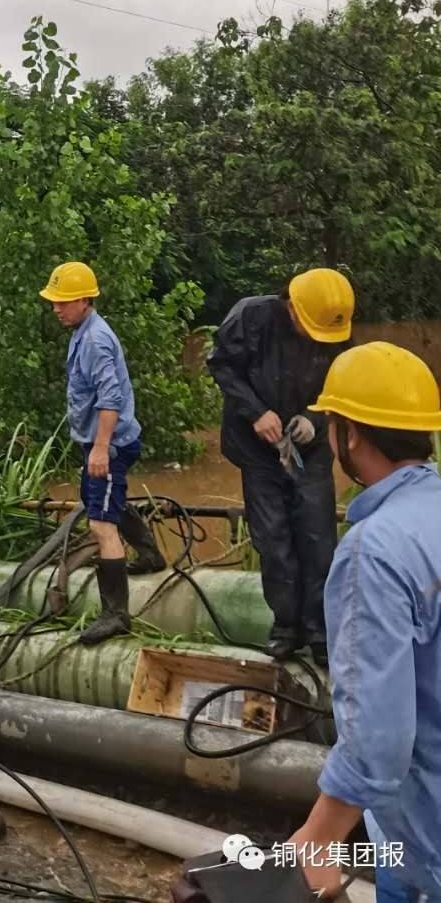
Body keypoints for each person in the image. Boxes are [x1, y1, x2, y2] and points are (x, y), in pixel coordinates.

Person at [286, 341, 441, 902]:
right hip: (401, 833)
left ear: (348, 434)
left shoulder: (373, 551)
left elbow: (379, 738)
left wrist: (321, 838)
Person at [208, 267, 355, 664]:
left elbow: (341, 384)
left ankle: (321, 632)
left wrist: (315, 418)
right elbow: (221, 366)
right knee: (273, 541)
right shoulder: (251, 316)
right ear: (293, 307)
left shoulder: (334, 329)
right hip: (258, 450)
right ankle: (287, 628)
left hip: (311, 449)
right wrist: (256, 412)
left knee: (318, 539)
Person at [40, 261, 165, 644]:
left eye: (63, 302)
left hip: (109, 445)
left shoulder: (95, 340)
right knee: (108, 502)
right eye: (54, 302)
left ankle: (115, 614)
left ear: (84, 300)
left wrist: (100, 449)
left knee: (100, 523)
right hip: (101, 442)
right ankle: (150, 556)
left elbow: (110, 399)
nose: (56, 309)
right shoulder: (83, 332)